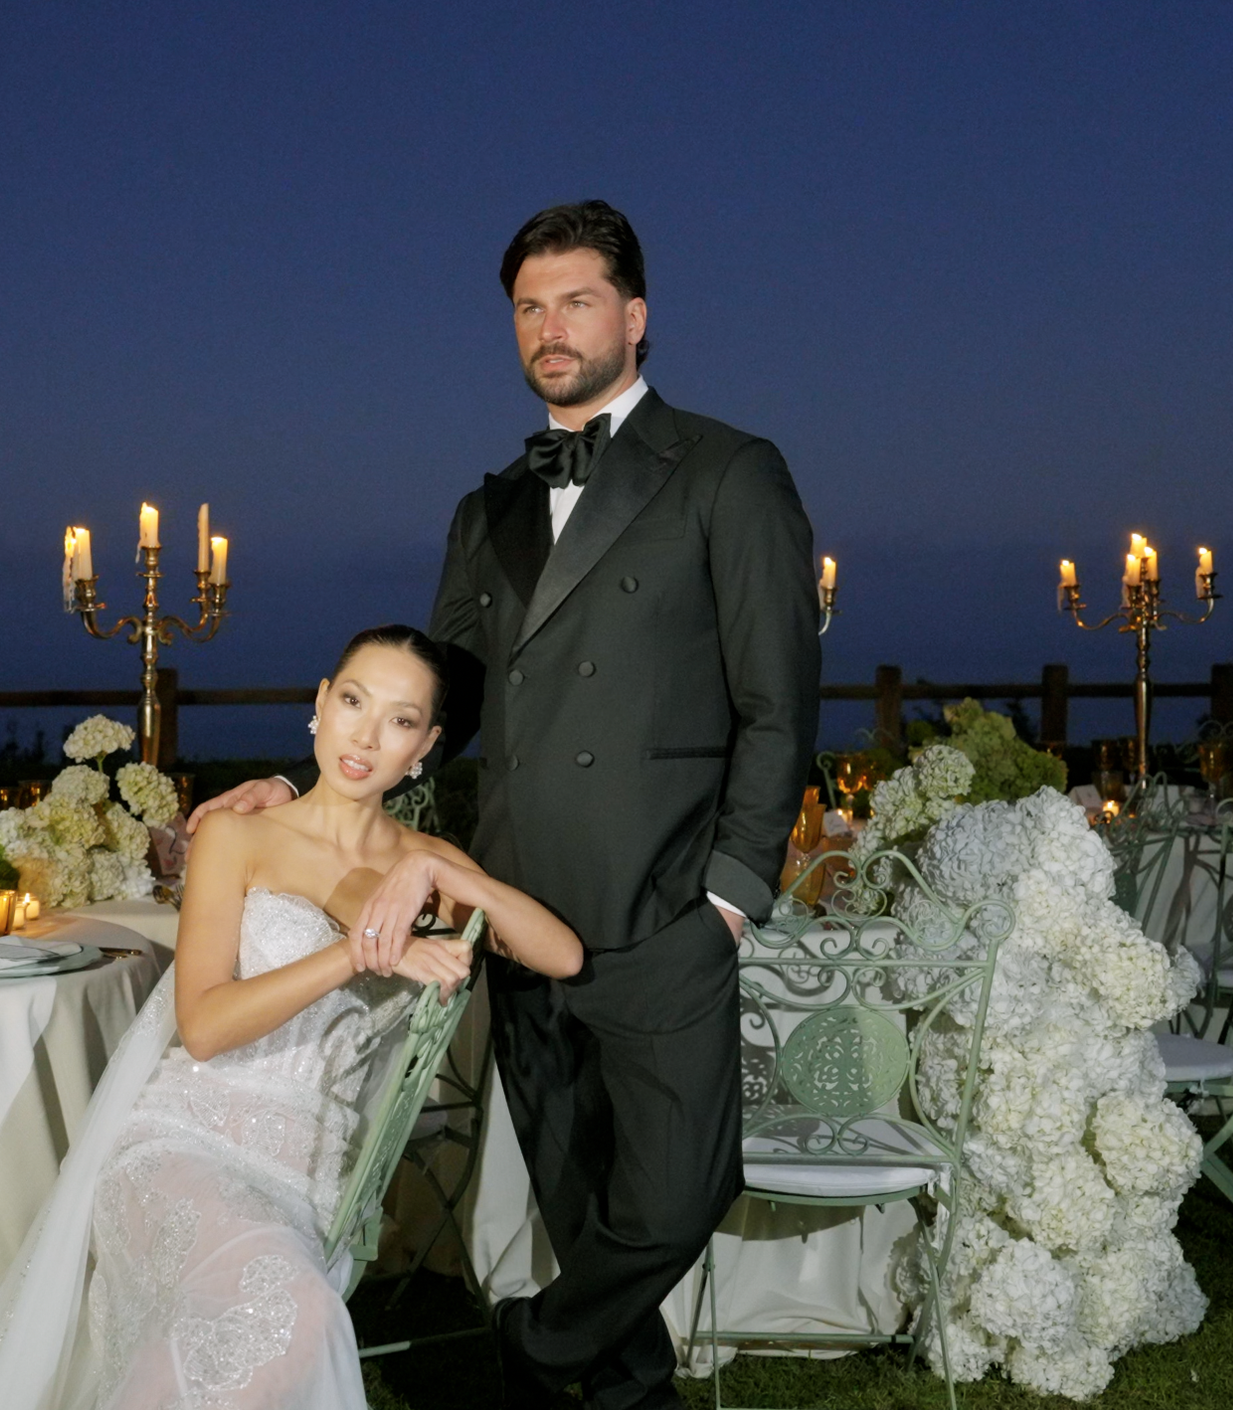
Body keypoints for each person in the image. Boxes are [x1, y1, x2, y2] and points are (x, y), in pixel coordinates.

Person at [193, 201, 819, 1409]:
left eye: (577, 300)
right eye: (529, 307)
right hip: (518, 905)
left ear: (634, 318)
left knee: (677, 1193)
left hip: (664, 908)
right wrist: (309, 784)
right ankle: (618, 1397)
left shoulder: (731, 474)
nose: (550, 326)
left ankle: (531, 1351)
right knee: (582, 1202)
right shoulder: (486, 512)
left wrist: (732, 901)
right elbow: (440, 710)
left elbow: (779, 704)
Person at [0, 625, 584, 1410]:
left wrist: (436, 867)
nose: (366, 736)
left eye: (401, 721)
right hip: (184, 1146)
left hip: (307, 1184)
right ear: (319, 704)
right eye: (352, 701)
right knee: (291, 1316)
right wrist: (358, 953)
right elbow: (203, 1024)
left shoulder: (421, 866)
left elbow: (561, 955)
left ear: (428, 745)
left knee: (250, 1341)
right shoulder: (239, 834)